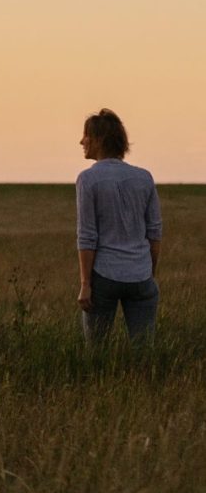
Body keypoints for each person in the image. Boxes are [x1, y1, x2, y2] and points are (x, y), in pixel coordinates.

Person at [75, 109, 163, 347]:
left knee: (96, 351)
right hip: (141, 275)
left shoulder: (88, 179)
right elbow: (154, 232)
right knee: (144, 350)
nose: (81, 141)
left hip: (105, 275)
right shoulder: (144, 178)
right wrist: (149, 272)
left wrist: (85, 285)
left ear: (99, 140)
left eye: (86, 136)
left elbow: (87, 236)